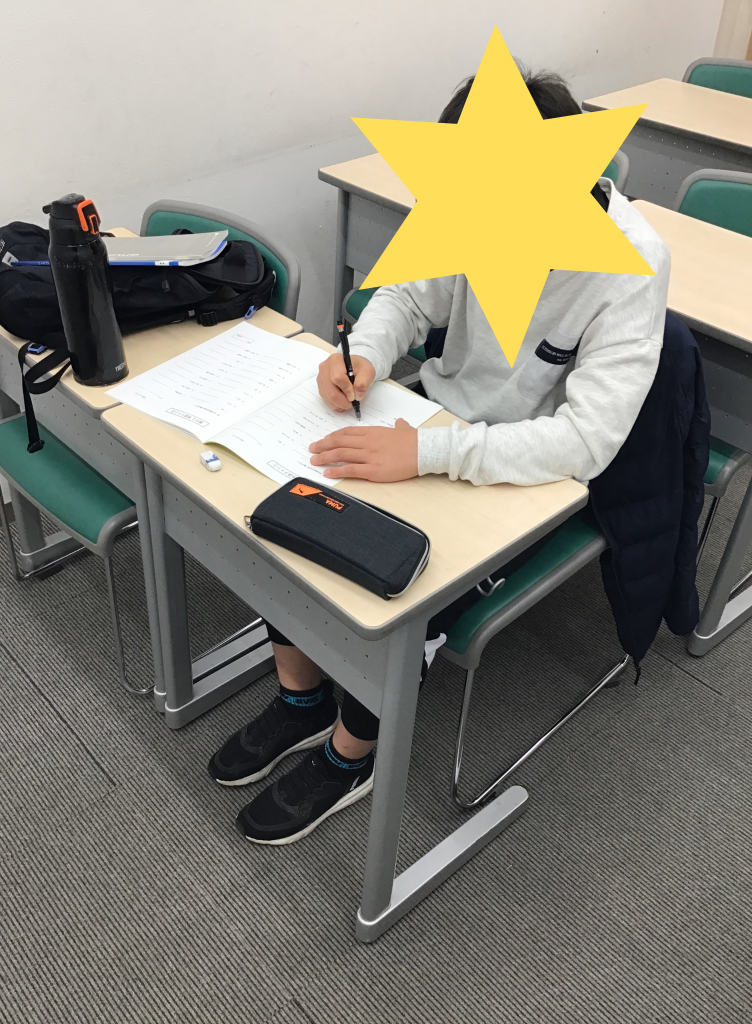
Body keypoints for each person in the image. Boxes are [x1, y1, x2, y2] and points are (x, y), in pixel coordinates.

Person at [207, 69, 670, 845]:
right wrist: (366, 355)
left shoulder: (631, 263)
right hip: (433, 423)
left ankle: (353, 754)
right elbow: (405, 296)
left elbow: (585, 441)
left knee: (401, 589)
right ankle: (300, 700)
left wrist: (427, 453)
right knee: (288, 513)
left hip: (528, 473)